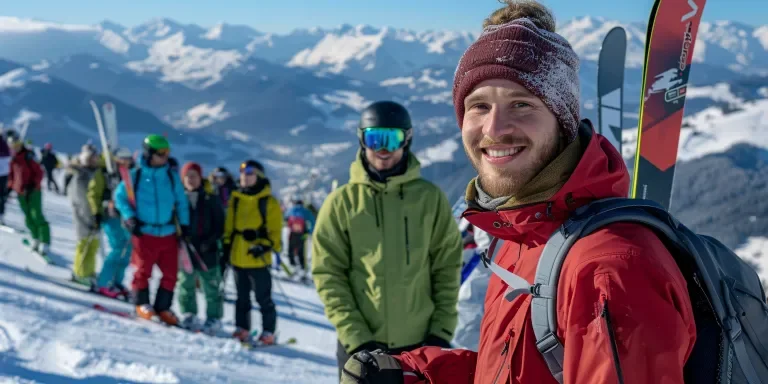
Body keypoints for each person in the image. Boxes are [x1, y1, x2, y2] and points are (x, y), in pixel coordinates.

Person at [339, 2, 698, 383]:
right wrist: (414, 374)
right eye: (478, 106)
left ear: (562, 123)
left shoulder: (609, 271)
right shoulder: (523, 234)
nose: (494, 128)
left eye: (522, 104)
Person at [311, 100, 463, 377]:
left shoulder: (429, 199)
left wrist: (440, 332)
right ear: (361, 140)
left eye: (391, 139)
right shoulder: (341, 203)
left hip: (420, 344)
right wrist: (357, 338)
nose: (382, 149)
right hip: (360, 346)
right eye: (374, 138)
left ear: (407, 140)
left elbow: (447, 267)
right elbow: (329, 275)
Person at [114, 134, 189, 326]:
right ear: (149, 154)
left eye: (167, 153)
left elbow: (181, 202)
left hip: (168, 233)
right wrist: (130, 218)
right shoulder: (136, 175)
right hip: (144, 232)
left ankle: (163, 307)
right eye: (161, 153)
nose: (165, 157)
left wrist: (185, 225)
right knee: (143, 271)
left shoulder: (171, 177)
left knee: (171, 273)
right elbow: (120, 197)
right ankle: (142, 303)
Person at [222, 159, 282, 345]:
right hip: (238, 255)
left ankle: (268, 332)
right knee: (241, 297)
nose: (244, 177)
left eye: (249, 173)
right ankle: (242, 328)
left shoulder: (268, 202)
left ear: (259, 176)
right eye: (242, 173)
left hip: (258, 258)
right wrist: (226, 245)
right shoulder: (236, 198)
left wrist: (263, 244)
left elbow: (275, 232)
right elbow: (229, 226)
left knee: (263, 298)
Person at [177, 161, 225, 334]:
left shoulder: (210, 199)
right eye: (187, 176)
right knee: (186, 283)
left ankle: (214, 317)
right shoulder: (178, 199)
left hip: (207, 249)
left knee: (211, 285)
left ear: (200, 178)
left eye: (194, 176)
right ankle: (189, 313)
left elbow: (220, 224)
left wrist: (210, 241)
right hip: (186, 249)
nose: (191, 180)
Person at [96, 147, 136, 298]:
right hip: (111, 216)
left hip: (126, 218)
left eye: (128, 159)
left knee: (127, 250)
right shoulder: (107, 173)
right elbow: (95, 193)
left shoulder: (132, 175)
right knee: (118, 247)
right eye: (122, 159)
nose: (125, 162)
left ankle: (116, 281)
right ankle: (104, 282)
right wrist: (97, 211)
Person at [67, 144, 107, 285]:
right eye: (91, 158)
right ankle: (80, 272)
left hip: (93, 216)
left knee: (93, 245)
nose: (94, 161)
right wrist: (90, 217)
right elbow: (82, 200)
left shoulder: (94, 173)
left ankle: (88, 271)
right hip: (83, 216)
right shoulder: (81, 176)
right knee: (84, 243)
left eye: (95, 158)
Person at [6, 134, 50, 255]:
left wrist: (33, 185)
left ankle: (45, 241)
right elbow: (12, 175)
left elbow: (39, 172)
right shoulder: (13, 159)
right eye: (13, 146)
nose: (15, 148)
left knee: (36, 215)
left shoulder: (28, 156)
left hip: (33, 191)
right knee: (28, 217)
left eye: (17, 145)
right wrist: (9, 188)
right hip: (20, 192)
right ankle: (35, 238)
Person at [283, 195, 315, 280]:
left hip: (292, 234)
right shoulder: (305, 211)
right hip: (302, 234)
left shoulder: (291, 210)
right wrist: (310, 232)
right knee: (301, 252)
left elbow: (285, 218)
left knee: (291, 250)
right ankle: (302, 270)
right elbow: (312, 221)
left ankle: (292, 267)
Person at [0, 129, 12, 226]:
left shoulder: (4, 144)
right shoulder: (5, 144)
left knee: (2, 196)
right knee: (2, 196)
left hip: (3, 173)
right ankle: (1, 216)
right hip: (4, 173)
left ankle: (1, 216)